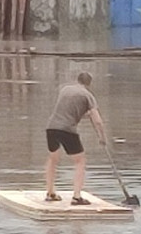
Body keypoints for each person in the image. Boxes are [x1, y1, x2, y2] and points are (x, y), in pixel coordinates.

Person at [45, 72, 107, 205]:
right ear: (89, 83)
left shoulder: (65, 89)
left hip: (51, 127)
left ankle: (50, 193)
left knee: (52, 159)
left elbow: (68, 110)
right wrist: (102, 137)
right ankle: (77, 196)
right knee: (80, 161)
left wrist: (84, 114)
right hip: (68, 129)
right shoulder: (88, 96)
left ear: (77, 80)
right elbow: (98, 121)